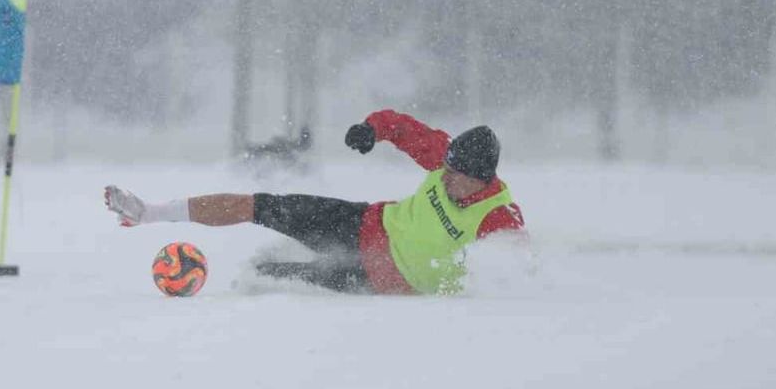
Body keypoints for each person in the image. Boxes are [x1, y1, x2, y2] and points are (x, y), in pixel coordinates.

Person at [104, 110, 525, 295]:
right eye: (445, 166)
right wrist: (370, 129)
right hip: (361, 223)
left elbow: (518, 272)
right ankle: (151, 213)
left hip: (378, 280)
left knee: (266, 277)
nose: (445, 175)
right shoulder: (444, 157)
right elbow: (399, 125)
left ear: (479, 180)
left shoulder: (497, 218)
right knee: (263, 205)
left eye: (454, 175)